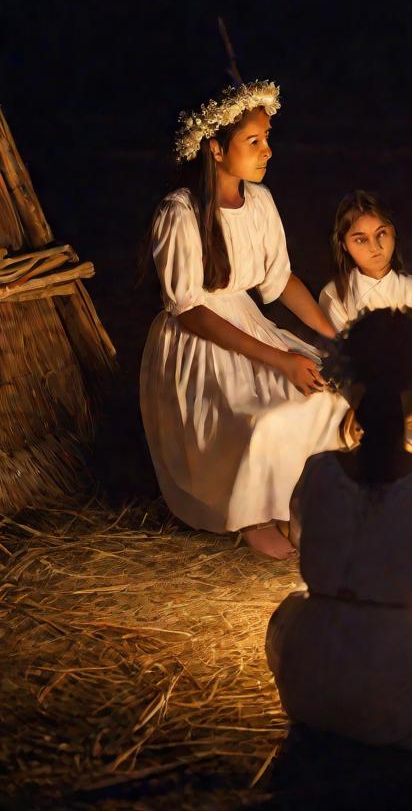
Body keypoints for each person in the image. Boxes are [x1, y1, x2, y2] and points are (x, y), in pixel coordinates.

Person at [265, 308, 412, 748]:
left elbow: (310, 549)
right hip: (400, 675)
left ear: (348, 383)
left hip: (316, 676)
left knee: (286, 616)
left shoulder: (318, 473)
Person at [139, 80, 346, 559]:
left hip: (247, 324)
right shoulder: (182, 212)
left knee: (324, 397)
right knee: (261, 419)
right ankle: (251, 514)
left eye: (266, 138)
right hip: (199, 341)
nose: (267, 151)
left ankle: (292, 505)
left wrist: (336, 332)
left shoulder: (261, 202)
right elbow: (190, 310)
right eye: (253, 141)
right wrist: (278, 358)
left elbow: (281, 280)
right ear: (215, 147)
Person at [318, 190, 412, 333]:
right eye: (361, 240)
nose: (375, 247)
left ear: (392, 231)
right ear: (344, 245)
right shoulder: (334, 297)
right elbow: (346, 353)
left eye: (381, 234)